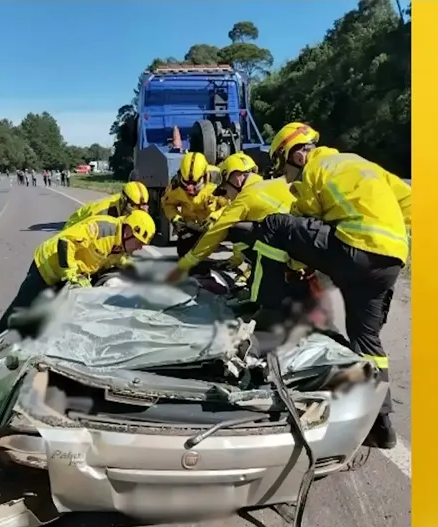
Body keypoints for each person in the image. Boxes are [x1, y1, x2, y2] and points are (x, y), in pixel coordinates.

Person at [250, 122, 411, 449]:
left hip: (355, 249)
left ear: (295, 155)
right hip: (390, 261)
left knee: (274, 225)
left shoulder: (314, 170)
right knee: (367, 341)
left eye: (283, 167)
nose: (286, 177)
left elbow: (304, 220)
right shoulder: (361, 164)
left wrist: (293, 266)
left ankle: (266, 312)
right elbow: (409, 202)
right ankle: (382, 426)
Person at [0, 210, 157, 333]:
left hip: (66, 275)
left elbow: (113, 258)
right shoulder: (101, 229)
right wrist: (71, 274)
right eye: (139, 242)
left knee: (48, 319)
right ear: (128, 232)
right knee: (20, 310)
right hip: (47, 267)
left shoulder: (121, 244)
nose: (140, 247)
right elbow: (65, 242)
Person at [167, 153, 293, 283]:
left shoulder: (245, 197)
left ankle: (258, 287)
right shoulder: (274, 183)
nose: (226, 194)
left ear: (237, 179)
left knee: (235, 229)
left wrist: (186, 263)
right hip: (303, 242)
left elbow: (217, 232)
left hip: (287, 251)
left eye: (226, 189)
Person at [161, 152, 226, 257]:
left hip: (217, 226)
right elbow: (167, 204)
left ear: (204, 175)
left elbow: (231, 205)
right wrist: (175, 218)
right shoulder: (175, 184)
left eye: (195, 183)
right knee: (184, 253)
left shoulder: (218, 179)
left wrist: (215, 218)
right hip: (191, 226)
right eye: (185, 182)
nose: (189, 189)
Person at [63, 181, 149, 228]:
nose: (138, 211)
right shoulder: (103, 213)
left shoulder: (129, 205)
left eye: (143, 206)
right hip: (75, 226)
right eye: (134, 207)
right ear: (124, 201)